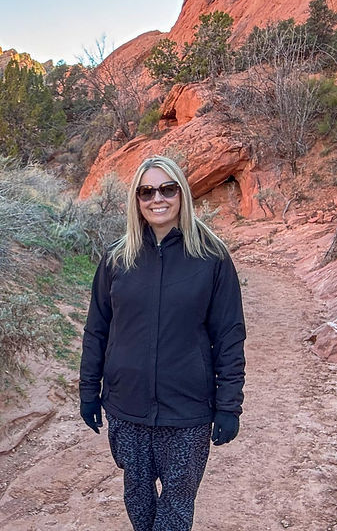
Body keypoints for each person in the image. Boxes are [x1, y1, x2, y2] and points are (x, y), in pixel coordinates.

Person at [78, 155, 246, 530]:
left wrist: (229, 407)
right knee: (137, 501)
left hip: (188, 413)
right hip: (127, 408)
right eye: (147, 191)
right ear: (136, 200)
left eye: (167, 189)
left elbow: (229, 337)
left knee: (175, 509)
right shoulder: (116, 258)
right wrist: (89, 392)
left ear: (182, 194)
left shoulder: (212, 257)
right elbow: (97, 330)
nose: (158, 199)